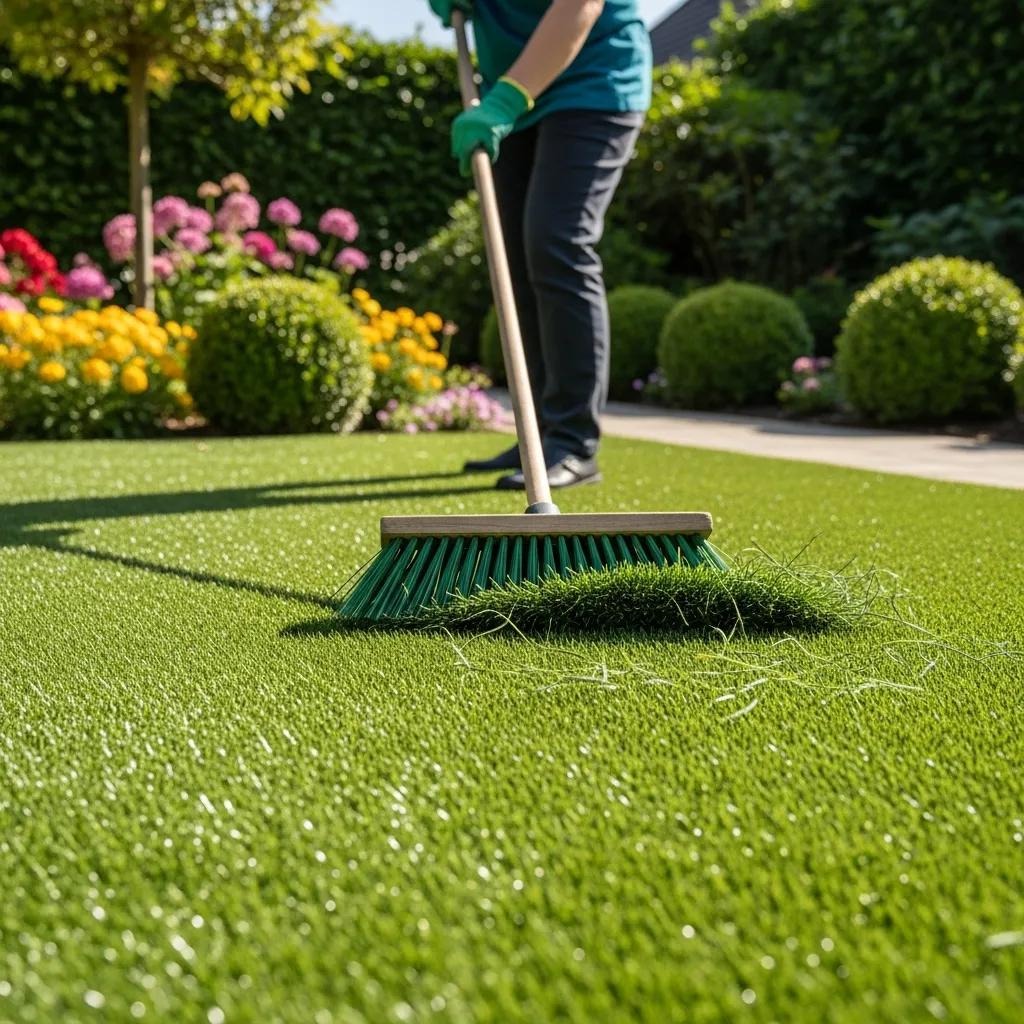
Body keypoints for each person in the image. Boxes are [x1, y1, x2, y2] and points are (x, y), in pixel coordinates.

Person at [428, 0, 652, 489]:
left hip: (592, 83)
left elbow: (580, 5)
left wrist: (506, 99)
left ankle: (573, 442)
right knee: (514, 259)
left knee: (556, 242)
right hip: (513, 99)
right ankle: (539, 433)